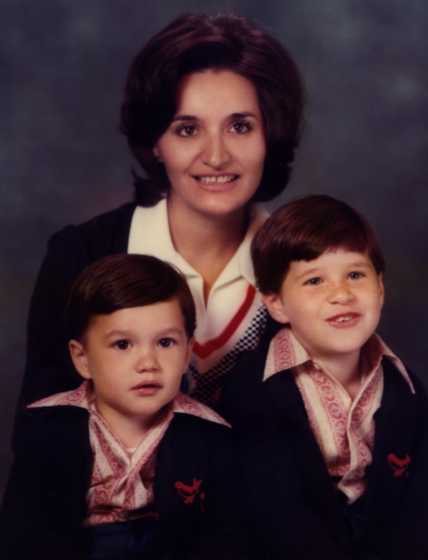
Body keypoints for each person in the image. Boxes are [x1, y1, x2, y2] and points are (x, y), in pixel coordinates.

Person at [20, 13, 304, 409]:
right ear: (155, 142)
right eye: (187, 129)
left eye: (240, 127)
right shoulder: (81, 255)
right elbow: (42, 439)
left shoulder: (309, 267)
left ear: (270, 137)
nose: (217, 156)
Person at [220, 195, 428, 559]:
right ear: (276, 304)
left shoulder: (404, 386)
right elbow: (273, 513)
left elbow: (417, 501)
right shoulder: (253, 390)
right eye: (315, 280)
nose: (342, 294)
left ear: (379, 288)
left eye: (355, 274)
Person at [2, 254, 243, 560]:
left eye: (166, 343)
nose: (148, 364)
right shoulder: (47, 427)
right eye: (123, 345)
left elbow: (224, 539)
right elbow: (22, 536)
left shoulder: (211, 435)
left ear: (187, 354)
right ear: (82, 358)